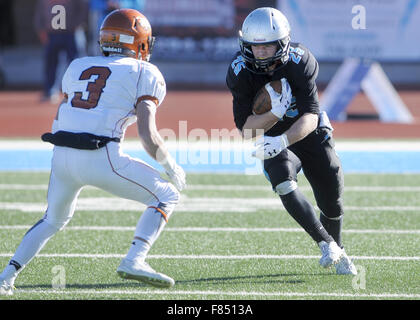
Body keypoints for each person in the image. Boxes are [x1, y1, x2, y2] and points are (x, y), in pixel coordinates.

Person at [0, 8, 186, 296]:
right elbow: (148, 135)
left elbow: (65, 115)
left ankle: (6, 277)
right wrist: (170, 164)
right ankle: (134, 259)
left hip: (62, 156)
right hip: (101, 155)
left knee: (52, 220)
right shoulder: (144, 71)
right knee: (167, 195)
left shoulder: (77, 65)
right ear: (140, 42)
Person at [226, 7, 357, 275]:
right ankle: (325, 243)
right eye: (254, 47)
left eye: (267, 46)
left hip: (307, 133)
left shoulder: (301, 61)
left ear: (283, 42)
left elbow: (310, 115)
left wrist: (285, 140)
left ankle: (338, 248)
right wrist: (274, 114)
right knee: (284, 182)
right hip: (271, 134)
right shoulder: (240, 71)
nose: (260, 53)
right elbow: (247, 130)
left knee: (332, 199)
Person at [34, 0, 88, 102]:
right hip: (52, 33)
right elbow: (39, 12)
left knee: (76, 64)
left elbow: (83, 8)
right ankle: (50, 91)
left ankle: (78, 91)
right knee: (50, 63)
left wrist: (78, 24)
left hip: (71, 32)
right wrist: (41, 30)